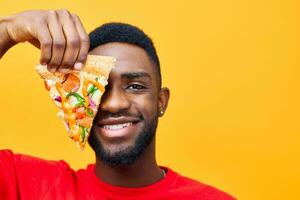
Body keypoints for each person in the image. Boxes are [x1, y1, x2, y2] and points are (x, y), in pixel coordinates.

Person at [0, 10, 235, 200]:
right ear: (74, 102)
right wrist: (8, 29)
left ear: (161, 101)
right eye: (97, 88)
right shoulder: (29, 185)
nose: (113, 103)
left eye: (135, 86)